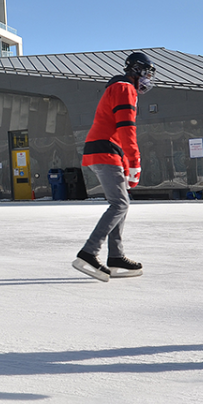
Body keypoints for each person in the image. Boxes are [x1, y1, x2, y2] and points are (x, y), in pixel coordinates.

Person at [72, 51, 156, 282]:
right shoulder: (123, 88)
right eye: (147, 72)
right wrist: (135, 162)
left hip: (107, 151)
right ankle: (89, 253)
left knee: (122, 203)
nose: (149, 78)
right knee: (119, 203)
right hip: (105, 150)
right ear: (137, 71)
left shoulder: (120, 88)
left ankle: (116, 257)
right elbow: (126, 129)